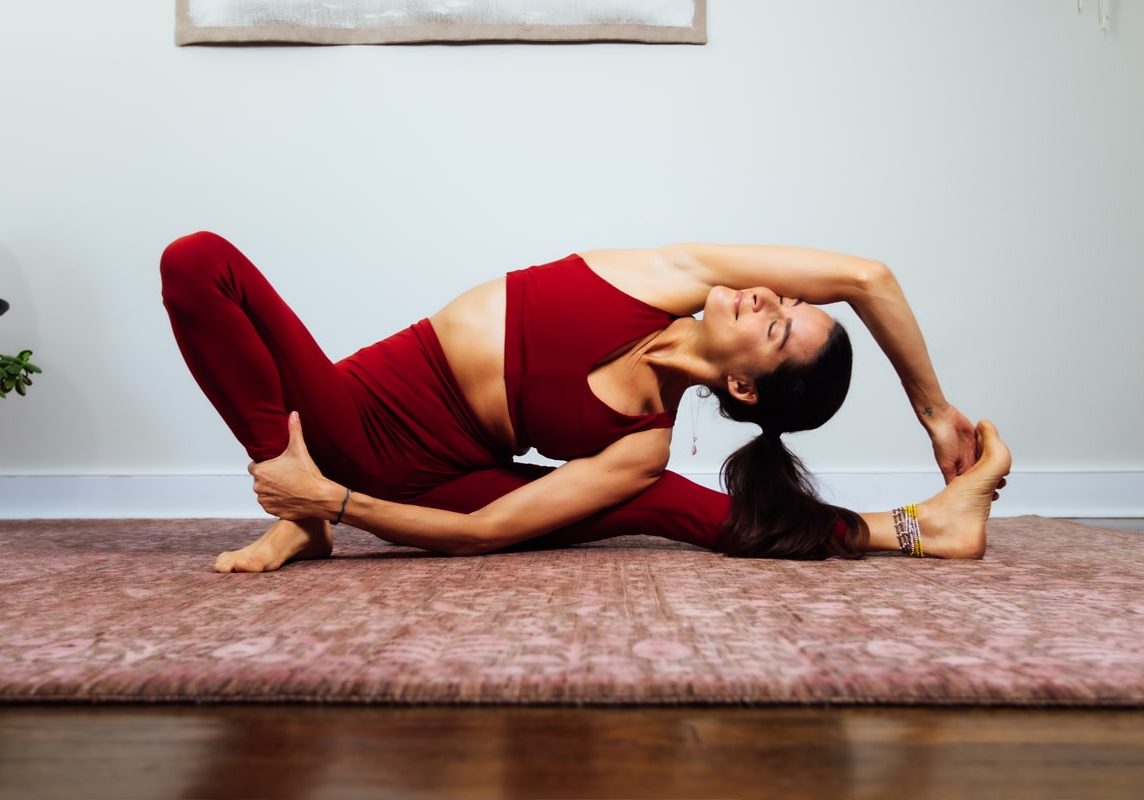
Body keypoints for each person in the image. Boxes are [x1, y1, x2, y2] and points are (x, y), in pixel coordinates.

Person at [159, 232, 1010, 573]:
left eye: (781, 327)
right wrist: (936, 413)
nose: (767, 298)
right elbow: (870, 278)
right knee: (199, 261)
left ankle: (914, 527)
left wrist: (338, 503)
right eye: (786, 301)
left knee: (664, 500)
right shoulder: (666, 274)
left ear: (744, 387)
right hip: (352, 419)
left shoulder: (641, 444)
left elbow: (484, 533)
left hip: (417, 483)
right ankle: (295, 501)